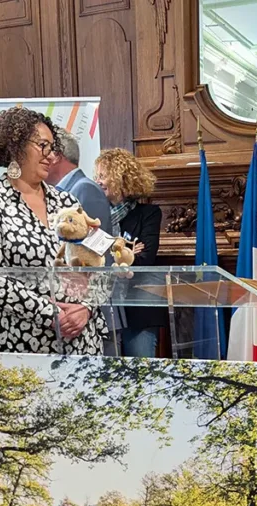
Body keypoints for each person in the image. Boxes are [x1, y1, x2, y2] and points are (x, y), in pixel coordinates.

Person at [0, 107, 106, 355]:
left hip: (80, 344)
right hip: (18, 347)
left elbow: (100, 262)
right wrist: (50, 314)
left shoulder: (68, 202)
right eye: (43, 145)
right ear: (15, 145)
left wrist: (87, 306)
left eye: (52, 147)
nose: (50, 156)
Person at [93, 148, 165, 357]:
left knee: (142, 373)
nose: (98, 181)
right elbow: (96, 258)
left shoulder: (149, 213)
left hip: (139, 306)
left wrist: (115, 254)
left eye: (103, 175)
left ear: (121, 178)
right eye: (96, 176)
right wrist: (126, 251)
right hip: (105, 306)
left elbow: (146, 257)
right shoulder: (94, 216)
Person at [46, 128, 112, 232]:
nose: (41, 159)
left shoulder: (86, 189)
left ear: (57, 156)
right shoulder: (62, 190)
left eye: (45, 151)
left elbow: (92, 242)